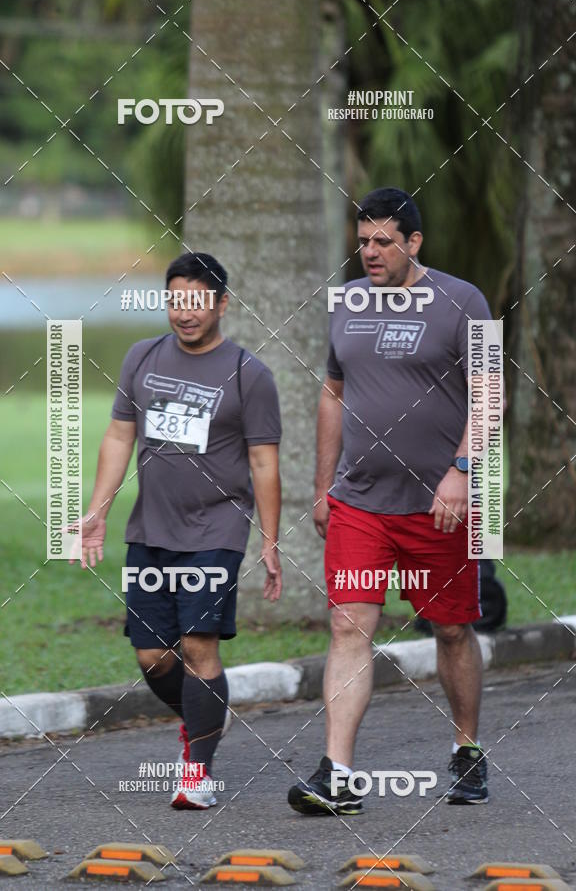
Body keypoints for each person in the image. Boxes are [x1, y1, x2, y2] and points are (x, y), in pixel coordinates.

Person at [288, 187, 493, 815]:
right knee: (349, 624)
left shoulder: (464, 301)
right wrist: (324, 486)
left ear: (414, 242)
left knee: (453, 629)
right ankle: (338, 773)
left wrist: (462, 471)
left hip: (440, 505)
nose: (370, 253)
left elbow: (490, 394)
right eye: (364, 241)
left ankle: (466, 749)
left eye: (383, 241)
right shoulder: (347, 302)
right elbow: (332, 394)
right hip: (361, 504)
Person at [72, 252, 282, 809]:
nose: (184, 313)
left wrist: (270, 539)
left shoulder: (248, 374)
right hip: (151, 529)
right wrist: (97, 511)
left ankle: (198, 772)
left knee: (197, 645)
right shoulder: (142, 357)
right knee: (152, 657)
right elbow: (119, 438)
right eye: (175, 301)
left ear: (221, 304)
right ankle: (204, 718)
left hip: (216, 529)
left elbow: (264, 462)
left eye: (196, 302)